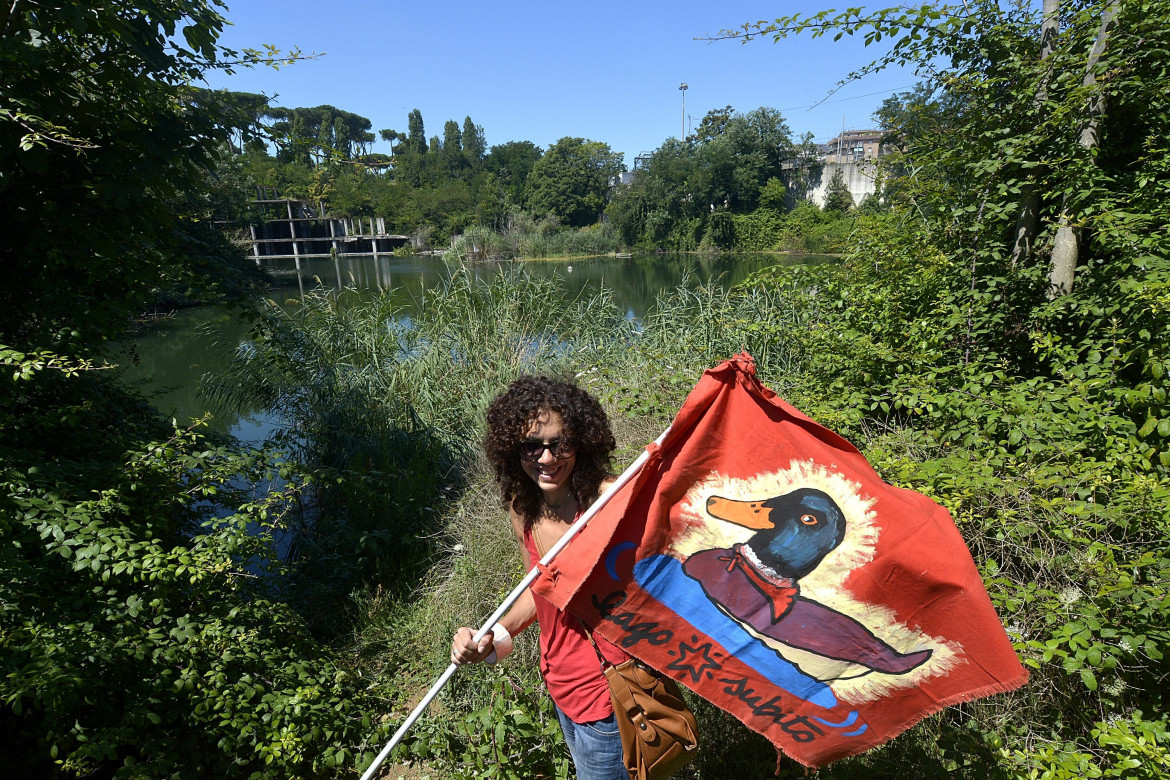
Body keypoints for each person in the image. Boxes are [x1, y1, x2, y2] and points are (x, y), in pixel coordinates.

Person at [450, 375, 631, 780]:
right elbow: (541, 591)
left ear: (582, 443)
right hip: (558, 680)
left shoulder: (610, 502)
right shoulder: (523, 508)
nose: (546, 459)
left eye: (560, 444)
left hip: (608, 695)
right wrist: (489, 636)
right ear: (513, 451)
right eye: (532, 445)